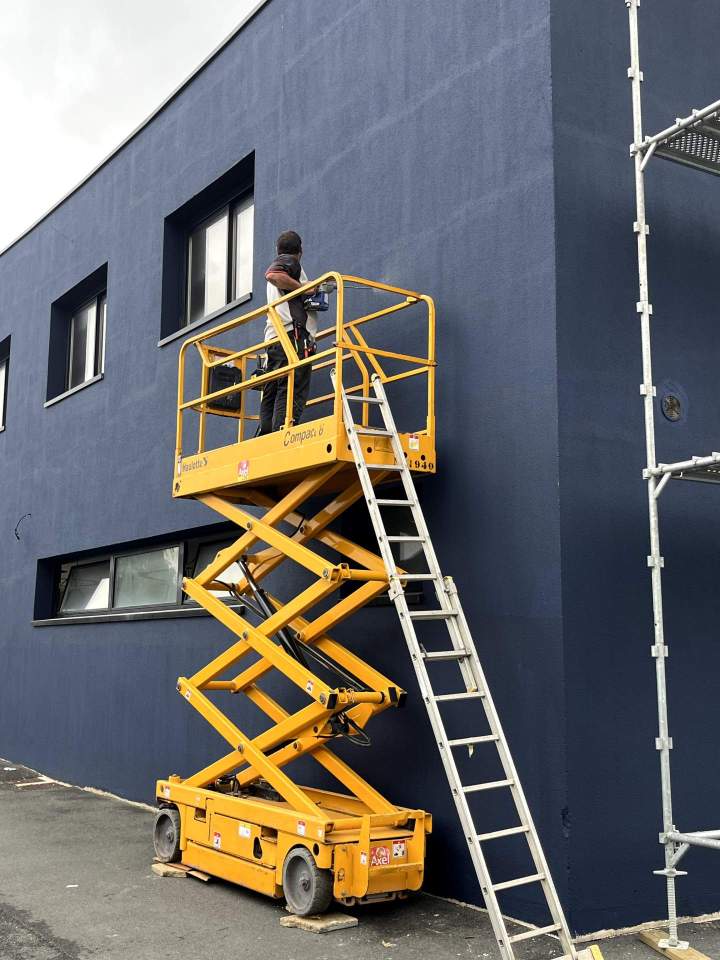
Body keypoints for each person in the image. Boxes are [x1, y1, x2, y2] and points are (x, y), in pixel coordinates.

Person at [259, 230, 317, 435]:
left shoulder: (289, 266)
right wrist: (303, 288)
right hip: (292, 338)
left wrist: (310, 289)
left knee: (273, 389)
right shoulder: (290, 262)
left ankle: (264, 436)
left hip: (275, 339)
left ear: (277, 248)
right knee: (291, 389)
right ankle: (282, 435)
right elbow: (273, 275)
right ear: (300, 251)